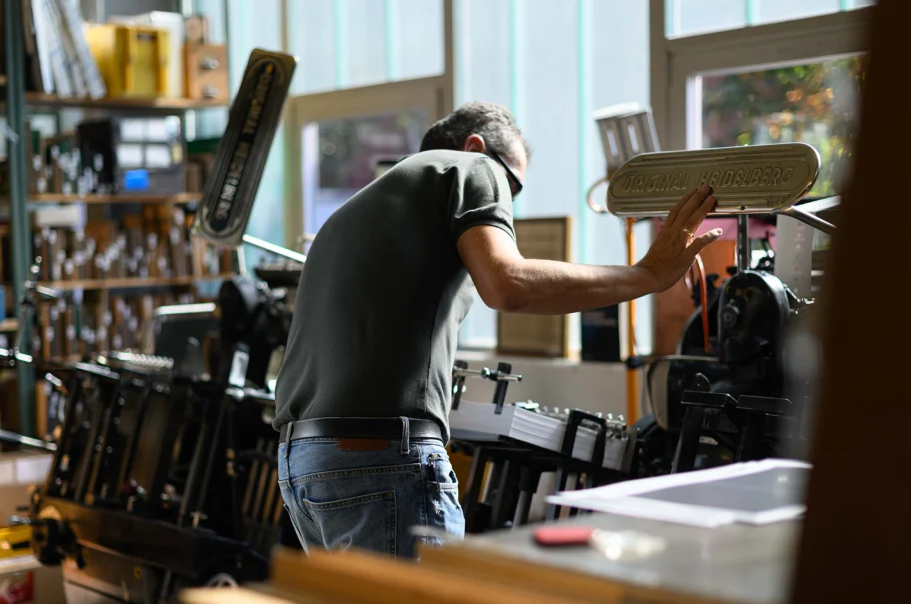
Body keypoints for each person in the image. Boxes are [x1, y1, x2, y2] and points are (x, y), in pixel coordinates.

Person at [273, 101, 721, 558]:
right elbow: (509, 286)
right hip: (382, 459)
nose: (508, 203)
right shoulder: (471, 168)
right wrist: (646, 274)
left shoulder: (359, 209)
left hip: (304, 463)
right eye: (513, 187)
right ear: (476, 147)